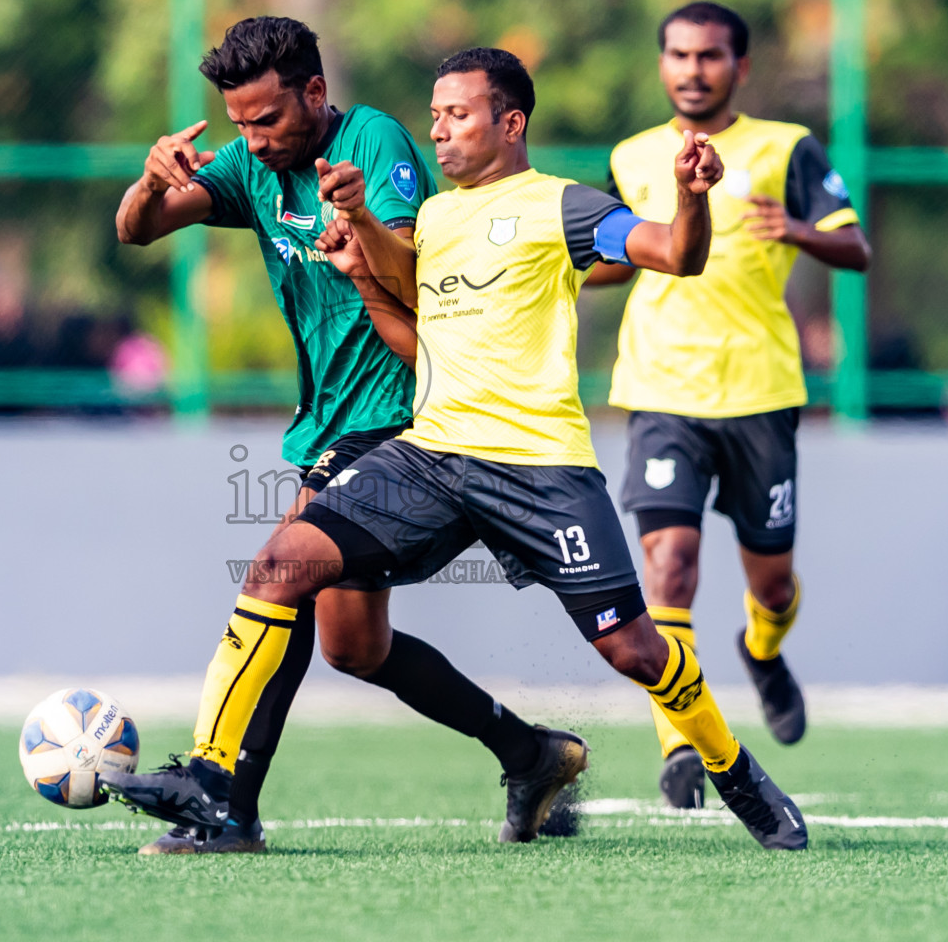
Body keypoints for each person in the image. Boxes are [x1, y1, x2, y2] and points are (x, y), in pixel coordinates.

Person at [108, 47, 808, 851]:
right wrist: (363, 250)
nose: (439, 132)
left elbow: (676, 256)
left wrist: (691, 200)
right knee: (281, 567)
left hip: (540, 468)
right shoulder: (436, 218)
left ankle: (737, 774)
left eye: (458, 116)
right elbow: (413, 329)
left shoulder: (562, 207)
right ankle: (212, 776)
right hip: (432, 456)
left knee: (635, 648)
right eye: (436, 116)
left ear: (510, 123)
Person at [112, 17, 570, 854]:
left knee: (278, 568)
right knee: (354, 647)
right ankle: (530, 752)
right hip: (332, 423)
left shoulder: (372, 142)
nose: (251, 139)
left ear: (315, 94)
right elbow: (136, 230)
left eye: (267, 120)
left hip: (401, 416)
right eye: (239, 123)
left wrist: (357, 225)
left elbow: (411, 266)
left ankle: (226, 801)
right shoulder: (255, 164)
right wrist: (149, 180)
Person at [586, 1, 871, 810]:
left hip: (762, 393)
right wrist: (566, 265)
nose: (692, 69)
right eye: (677, 54)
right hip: (661, 391)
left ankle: (763, 649)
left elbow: (857, 247)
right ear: (662, 64)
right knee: (668, 569)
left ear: (738, 67)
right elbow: (618, 255)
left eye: (709, 56)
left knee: (772, 582)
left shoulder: (788, 148)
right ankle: (682, 739)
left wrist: (798, 231)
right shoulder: (635, 156)